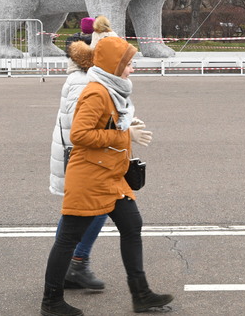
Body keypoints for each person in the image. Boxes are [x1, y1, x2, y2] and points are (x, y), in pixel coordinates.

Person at [40, 36, 173, 316]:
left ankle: (141, 294)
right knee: (67, 239)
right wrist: (124, 133)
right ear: (115, 65)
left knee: (132, 224)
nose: (132, 69)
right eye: (128, 64)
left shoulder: (112, 90)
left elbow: (107, 123)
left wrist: (126, 124)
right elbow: (80, 134)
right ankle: (51, 302)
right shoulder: (96, 92)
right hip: (90, 178)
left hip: (110, 176)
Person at [48, 35, 106, 290]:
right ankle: (75, 263)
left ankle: (69, 265)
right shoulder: (84, 82)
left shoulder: (82, 79)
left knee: (79, 213)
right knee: (93, 209)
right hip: (81, 159)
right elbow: (80, 129)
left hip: (78, 157)